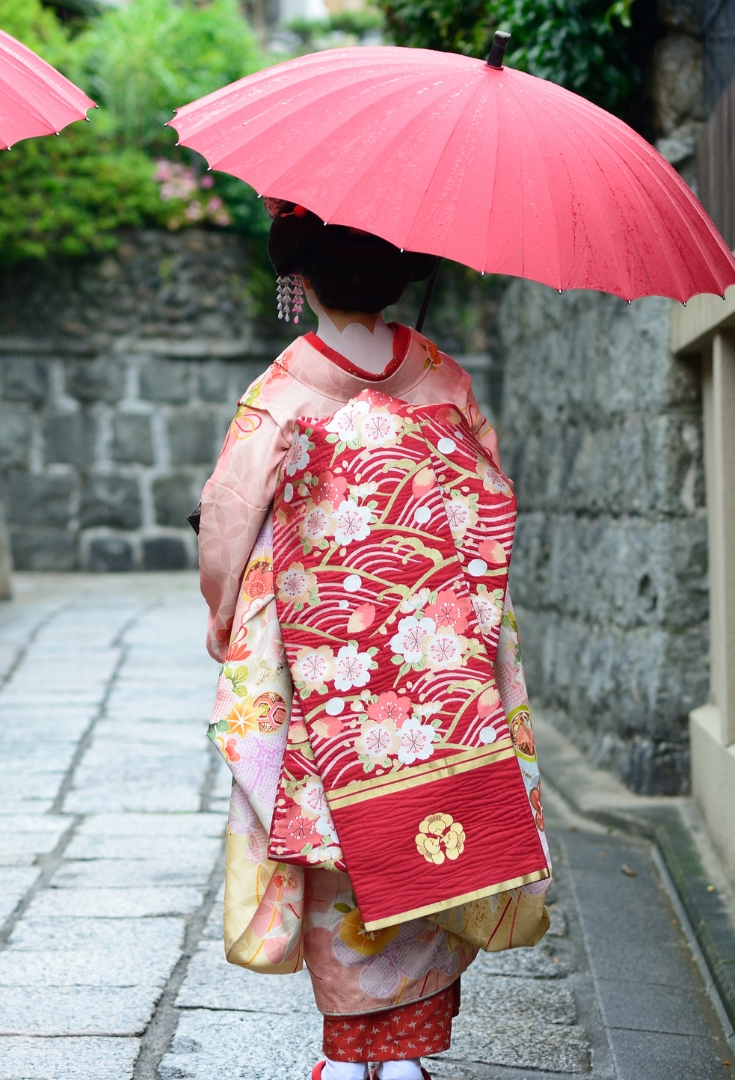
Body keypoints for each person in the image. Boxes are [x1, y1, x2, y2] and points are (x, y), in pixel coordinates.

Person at [199, 202, 551, 1080]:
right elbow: (492, 505)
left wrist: (222, 614)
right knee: (434, 827)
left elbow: (229, 522)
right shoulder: (442, 376)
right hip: (438, 662)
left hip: (327, 673)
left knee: (340, 839)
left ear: (299, 278)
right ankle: (406, 1057)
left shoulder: (282, 389)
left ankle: (352, 1058)